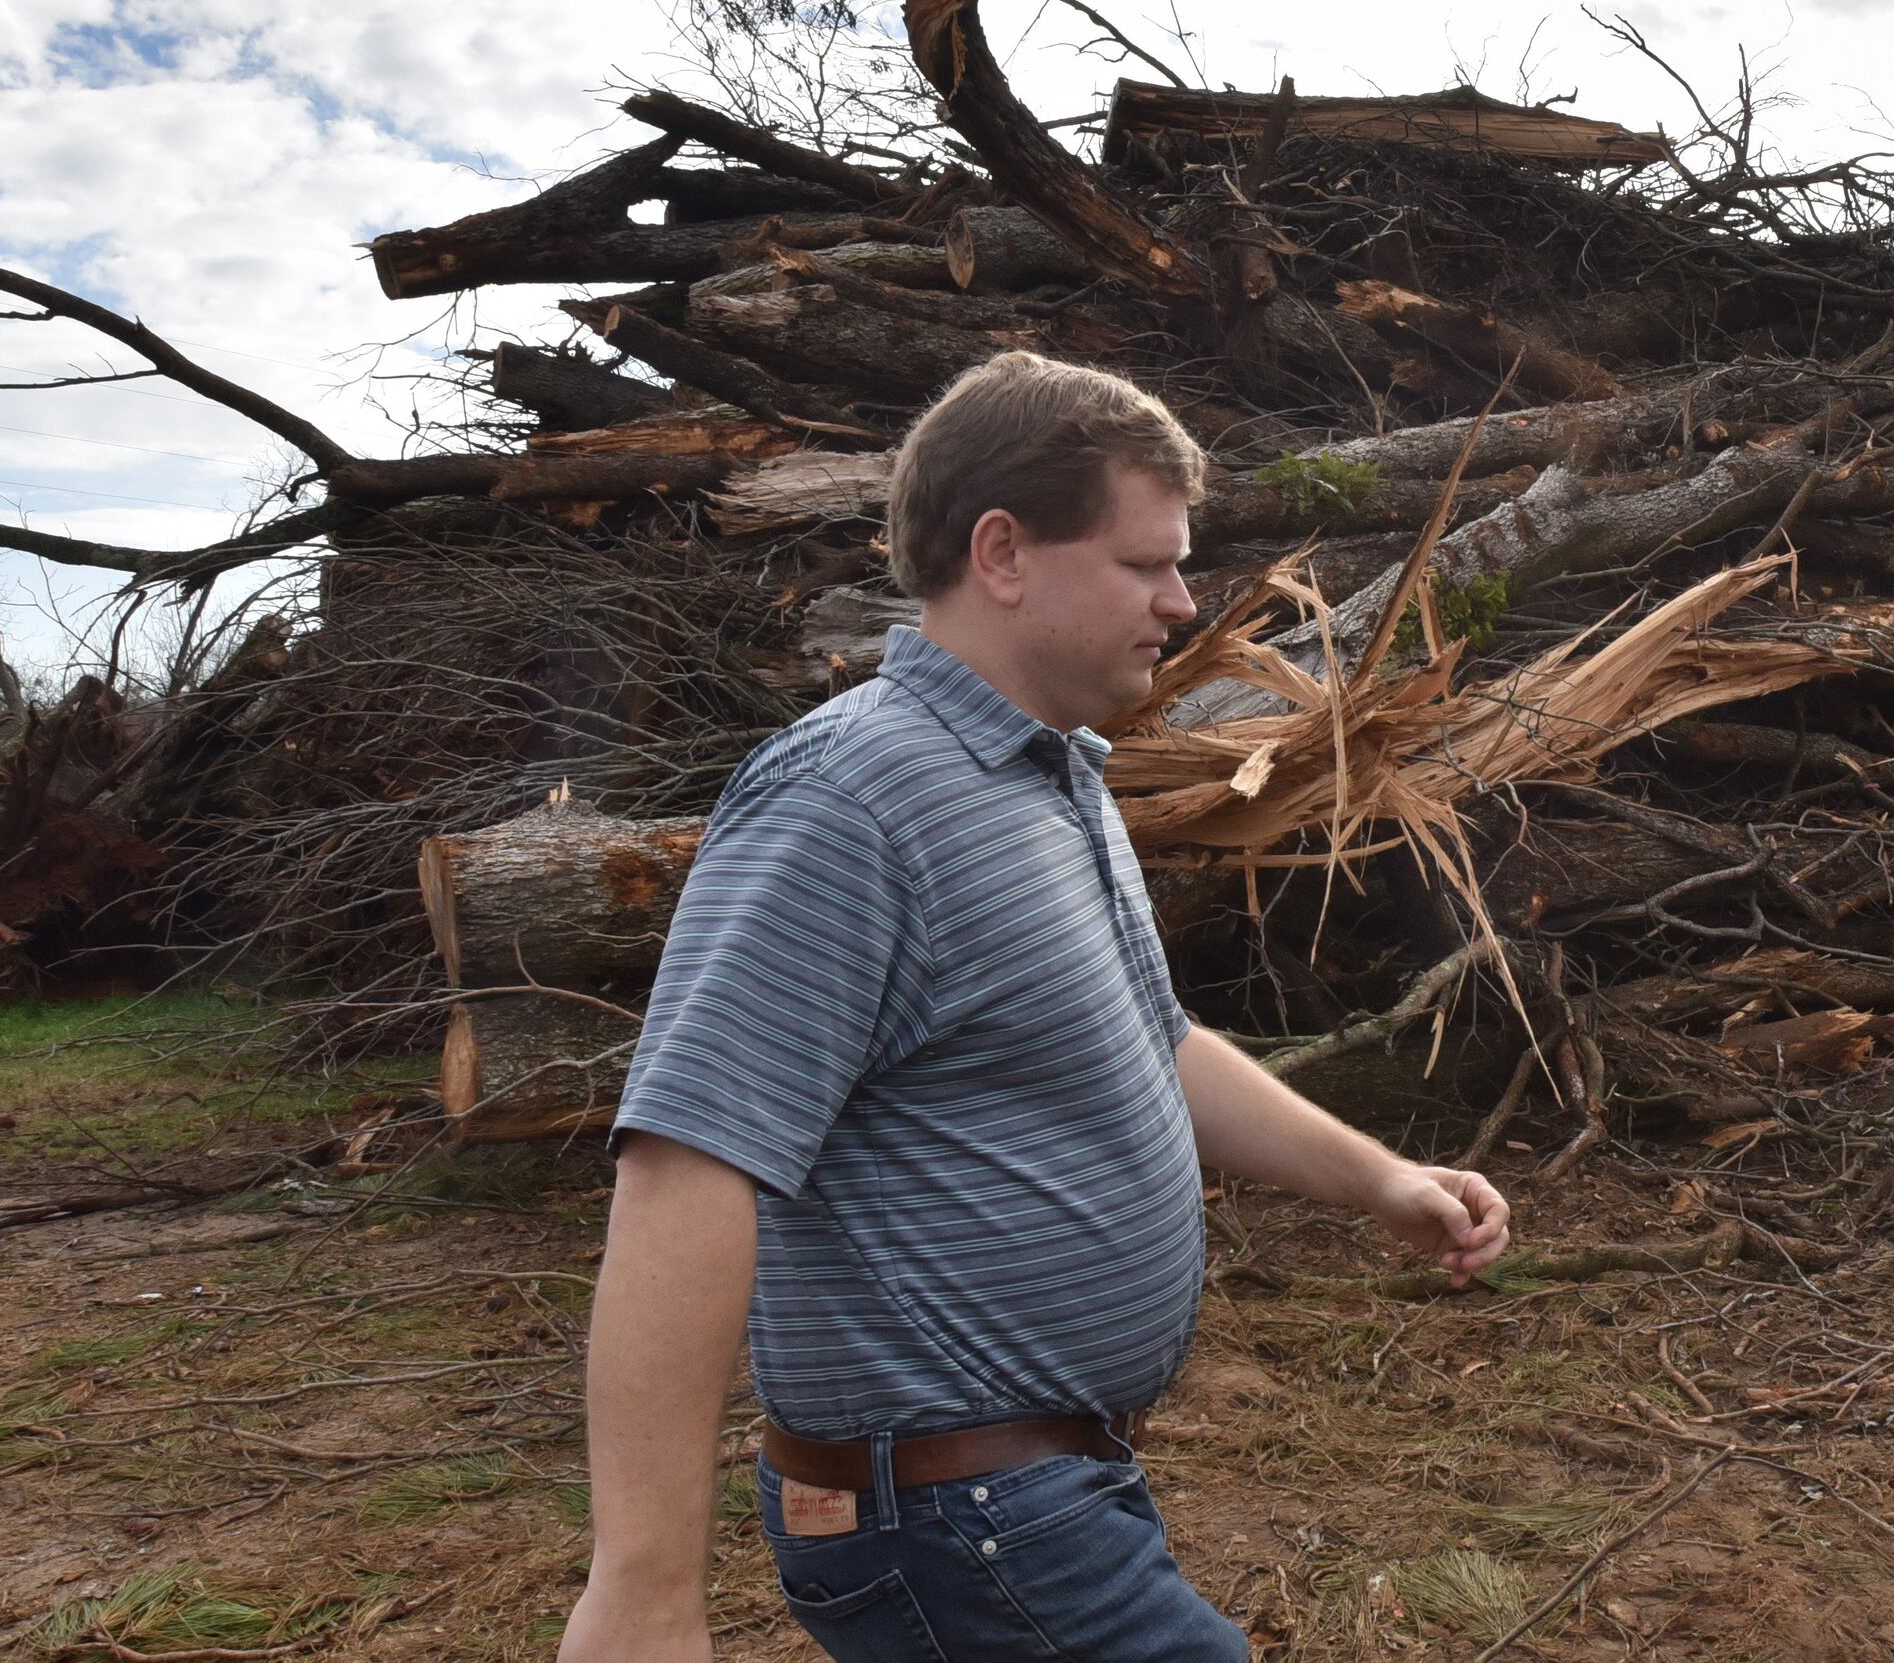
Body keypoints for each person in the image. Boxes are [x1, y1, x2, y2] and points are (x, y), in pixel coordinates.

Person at [556, 350, 1512, 1663]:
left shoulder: (1047, 779)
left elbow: (1156, 1043)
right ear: (1002, 552)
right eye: (1144, 565)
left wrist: (1381, 1179)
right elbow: (686, 1166)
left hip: (1026, 1495)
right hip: (950, 1516)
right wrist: (644, 1591)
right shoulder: (852, 802)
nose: (1182, 604)